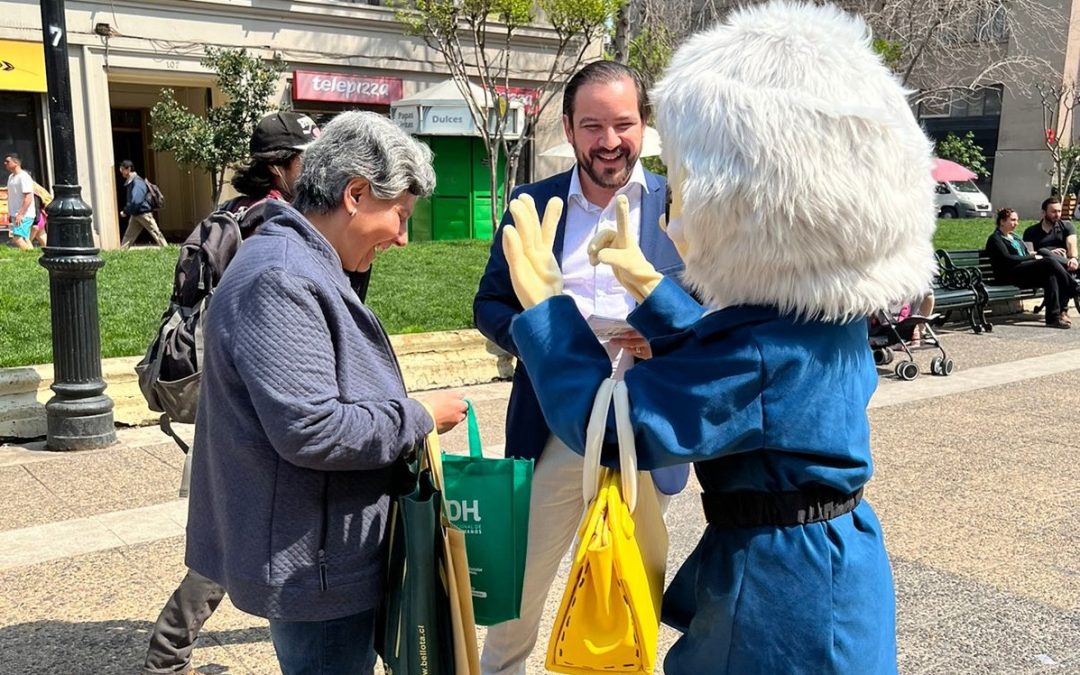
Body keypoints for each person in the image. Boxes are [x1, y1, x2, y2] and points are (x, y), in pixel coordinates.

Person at [499, 2, 942, 671]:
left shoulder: (764, 343)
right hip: (831, 561)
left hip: (777, 591)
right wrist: (655, 290)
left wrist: (547, 315)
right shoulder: (824, 315)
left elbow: (619, 426)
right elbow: (730, 354)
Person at [184, 111, 468, 675]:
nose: (404, 238)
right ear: (356, 194)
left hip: (323, 553)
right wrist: (416, 417)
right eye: (401, 215)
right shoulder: (283, 276)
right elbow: (312, 429)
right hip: (314, 567)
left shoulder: (305, 263)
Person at [474, 61, 688, 675]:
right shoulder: (533, 203)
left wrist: (661, 338)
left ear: (644, 126)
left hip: (648, 426)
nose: (609, 140)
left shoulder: (681, 206)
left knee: (630, 583)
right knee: (522, 588)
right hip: (555, 423)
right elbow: (488, 303)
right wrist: (545, 339)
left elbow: (708, 313)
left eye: (623, 123)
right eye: (592, 124)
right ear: (568, 129)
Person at [142, 110, 322, 675]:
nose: (318, 170)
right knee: (238, 527)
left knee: (241, 523)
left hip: (230, 390)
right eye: (307, 160)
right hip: (254, 398)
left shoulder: (226, 216)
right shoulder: (274, 225)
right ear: (280, 166)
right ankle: (167, 656)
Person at [987, 207, 1079, 329]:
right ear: (1002, 221)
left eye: (1017, 220)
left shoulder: (1015, 237)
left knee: (1050, 277)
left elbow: (1025, 254)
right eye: (1013, 220)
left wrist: (1032, 256)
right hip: (1009, 275)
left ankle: (1053, 318)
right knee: (1049, 261)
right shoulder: (995, 239)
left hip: (1022, 273)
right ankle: (1074, 287)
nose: (1016, 223)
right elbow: (1008, 258)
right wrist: (1033, 257)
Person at [119, 160, 168, 249]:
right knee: (129, 236)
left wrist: (126, 211)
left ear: (128, 169)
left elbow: (136, 200)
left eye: (122, 169)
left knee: (156, 232)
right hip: (136, 214)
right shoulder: (132, 182)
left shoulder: (137, 182)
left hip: (143, 213)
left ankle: (167, 249)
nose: (121, 172)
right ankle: (121, 253)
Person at [1024, 196, 1079, 273]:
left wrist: (1073, 258)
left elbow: (1072, 247)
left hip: (1065, 264)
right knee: (1043, 251)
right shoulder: (1030, 231)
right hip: (1044, 265)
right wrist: (1050, 253)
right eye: (1053, 212)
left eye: (1059, 211)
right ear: (1043, 213)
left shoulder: (1067, 226)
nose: (1057, 215)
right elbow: (1029, 254)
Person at [4, 153, 36, 251]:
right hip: (15, 214)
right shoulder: (11, 177)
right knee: (25, 238)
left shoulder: (24, 177)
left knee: (17, 237)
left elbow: (28, 197)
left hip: (24, 215)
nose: (5, 163)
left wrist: (20, 214)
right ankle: (32, 255)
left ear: (16, 162)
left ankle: (28, 257)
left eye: (8, 161)